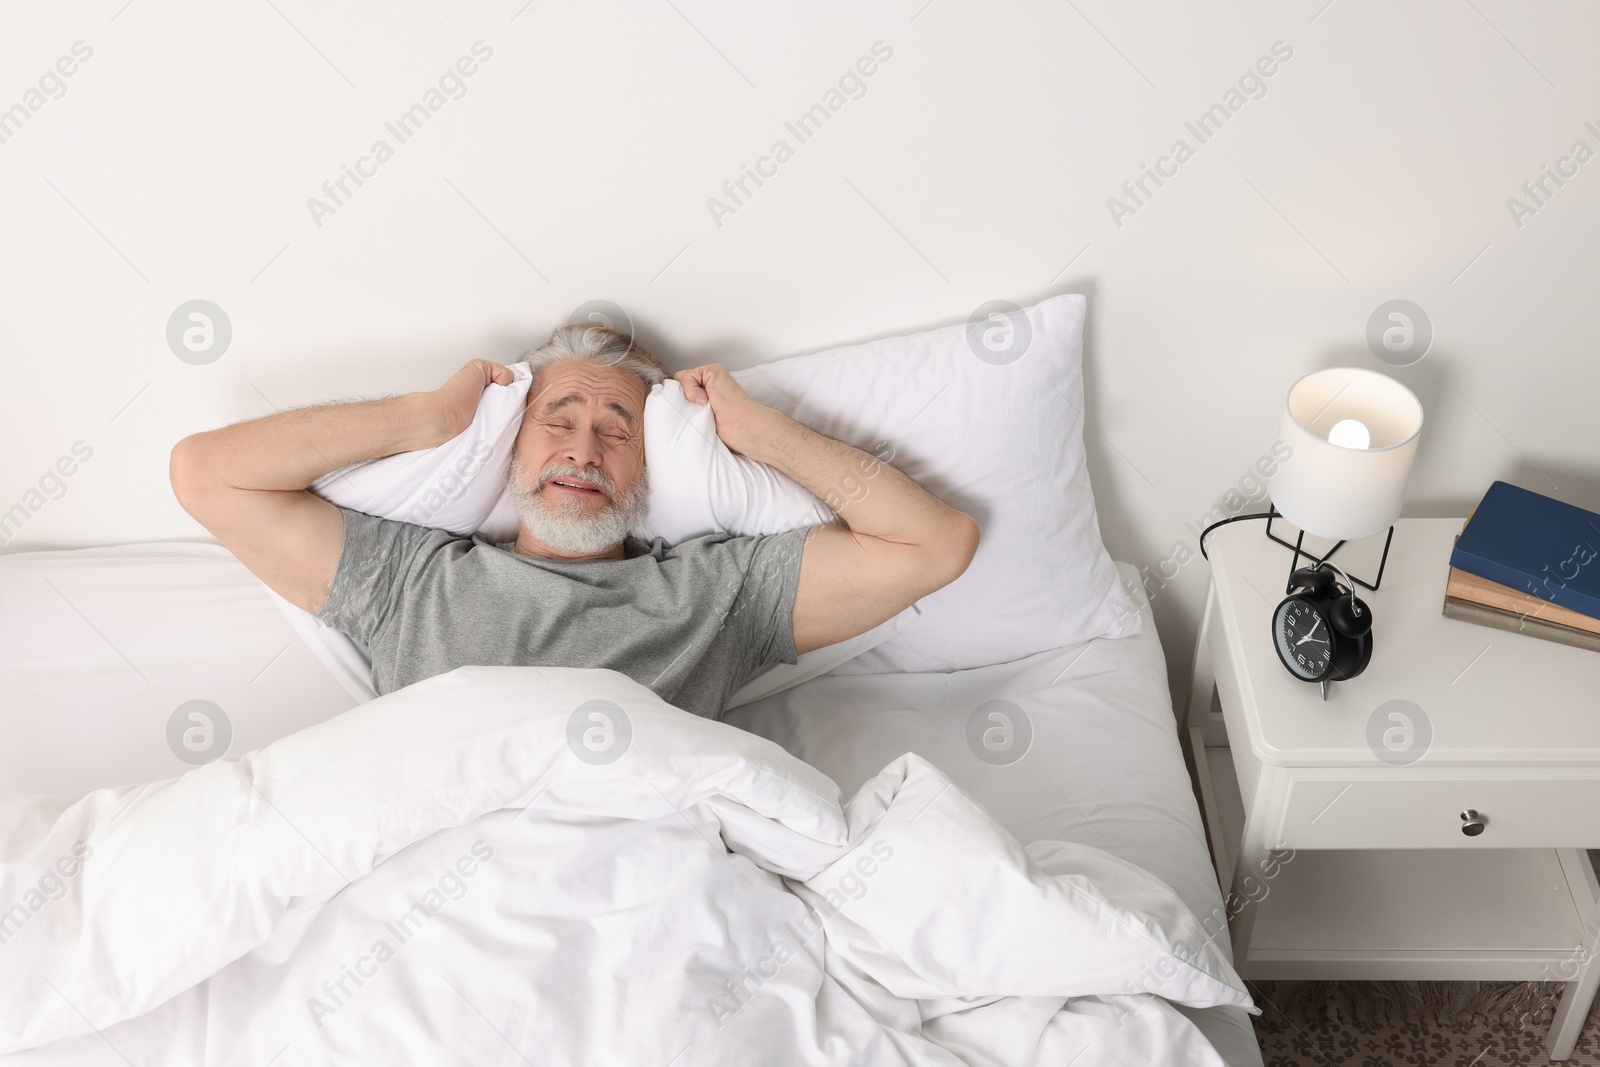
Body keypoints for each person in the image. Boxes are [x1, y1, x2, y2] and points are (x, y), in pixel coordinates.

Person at [169, 323, 979, 720]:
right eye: (557, 418)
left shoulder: (717, 595)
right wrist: (420, 420)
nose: (583, 450)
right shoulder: (409, 580)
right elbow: (205, 473)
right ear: (513, 447)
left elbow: (936, 544)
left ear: (648, 467)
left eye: (618, 429)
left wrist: (761, 435)